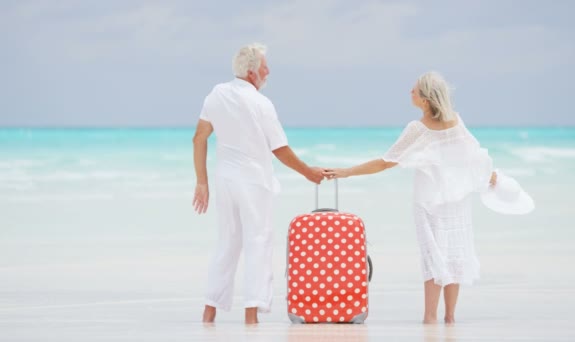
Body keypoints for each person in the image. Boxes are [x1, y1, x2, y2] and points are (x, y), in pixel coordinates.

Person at [323, 71, 497, 324]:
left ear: (426, 100)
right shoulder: (456, 123)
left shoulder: (418, 129)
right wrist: (492, 177)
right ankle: (449, 318)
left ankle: (429, 318)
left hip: (428, 202)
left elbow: (385, 162)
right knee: (453, 256)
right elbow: (475, 156)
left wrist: (347, 172)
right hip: (456, 201)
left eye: (414, 90)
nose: (410, 92)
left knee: (433, 257)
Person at [192, 43, 325, 324]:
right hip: (253, 182)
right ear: (253, 72)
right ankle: (251, 314)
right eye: (265, 66)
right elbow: (280, 149)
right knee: (258, 242)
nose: (268, 71)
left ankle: (210, 310)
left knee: (226, 243)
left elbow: (199, 138)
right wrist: (307, 172)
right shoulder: (261, 103)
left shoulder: (216, 94)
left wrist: (201, 182)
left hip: (225, 181)